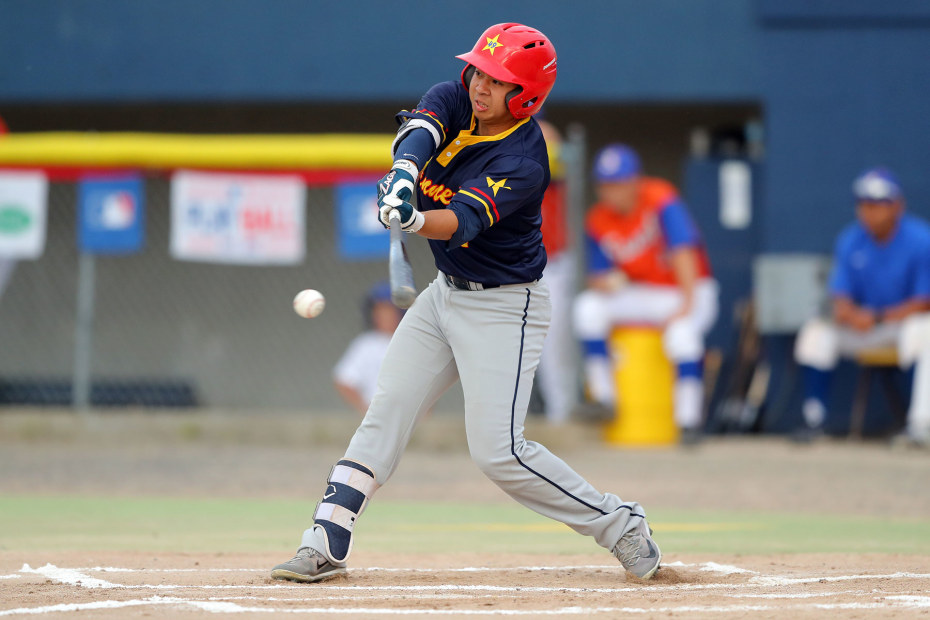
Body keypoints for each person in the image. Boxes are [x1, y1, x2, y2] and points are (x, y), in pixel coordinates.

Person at [271, 22, 661, 584]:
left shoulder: (526, 160)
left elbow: (460, 223)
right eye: (480, 69)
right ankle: (324, 539)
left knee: (499, 452)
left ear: (525, 94)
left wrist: (411, 218)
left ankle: (620, 524)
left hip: (507, 308)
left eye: (498, 79)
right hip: (444, 296)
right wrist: (403, 174)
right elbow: (421, 132)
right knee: (387, 409)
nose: (481, 84)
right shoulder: (455, 96)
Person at [572, 144, 719, 443]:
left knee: (682, 332)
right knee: (587, 307)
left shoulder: (660, 197)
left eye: (619, 182)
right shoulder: (598, 219)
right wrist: (605, 283)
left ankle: (688, 423)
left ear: (636, 180)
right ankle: (603, 399)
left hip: (692, 288)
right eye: (606, 184)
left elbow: (683, 251)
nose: (612, 191)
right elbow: (598, 275)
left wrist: (687, 304)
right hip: (646, 292)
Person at [794, 167, 930, 444]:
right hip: (863, 327)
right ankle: (814, 419)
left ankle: (921, 425)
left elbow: (924, 301)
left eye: (879, 205)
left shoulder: (920, 239)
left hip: (899, 326)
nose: (870, 212)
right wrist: (851, 314)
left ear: (898, 206)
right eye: (865, 205)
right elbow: (839, 296)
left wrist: (878, 317)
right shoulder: (850, 239)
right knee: (815, 331)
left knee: (925, 330)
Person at [534, 116, 578, 424]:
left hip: (551, 265)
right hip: (506, 267)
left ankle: (560, 416)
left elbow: (550, 137)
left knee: (553, 346)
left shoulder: (545, 138)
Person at [332, 282, 403, 415]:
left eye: (388, 309)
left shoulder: (412, 342)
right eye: (378, 310)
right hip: (376, 415)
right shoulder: (366, 344)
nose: (382, 315)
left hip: (408, 416)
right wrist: (365, 410)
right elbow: (343, 380)